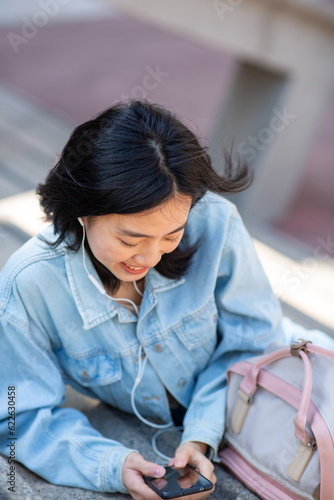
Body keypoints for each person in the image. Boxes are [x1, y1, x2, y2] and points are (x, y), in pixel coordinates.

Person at [0, 100, 332, 500]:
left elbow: (254, 341)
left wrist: (201, 435)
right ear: (81, 212)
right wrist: (111, 464)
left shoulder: (215, 222)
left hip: (286, 393)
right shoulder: (29, 283)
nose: (150, 257)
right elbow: (17, 417)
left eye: (171, 235)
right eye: (129, 239)